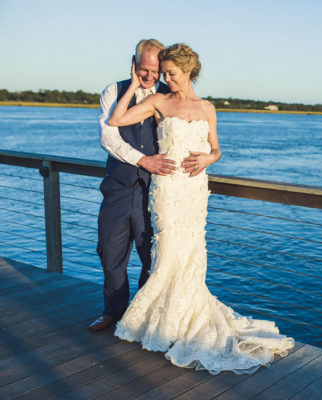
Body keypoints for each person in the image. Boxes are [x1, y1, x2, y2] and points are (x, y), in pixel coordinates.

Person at [108, 43, 294, 374]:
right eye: (163, 73)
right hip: (167, 189)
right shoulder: (158, 101)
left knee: (191, 252)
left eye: (171, 73)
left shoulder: (207, 107)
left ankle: (183, 319)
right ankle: (162, 323)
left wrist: (209, 157)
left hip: (194, 190)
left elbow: (217, 149)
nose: (165, 78)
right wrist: (135, 84)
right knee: (167, 252)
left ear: (190, 71)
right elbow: (117, 119)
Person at [89, 39, 174, 332]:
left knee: (152, 255)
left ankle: (140, 314)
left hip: (153, 192)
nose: (149, 77)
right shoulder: (113, 91)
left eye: (155, 71)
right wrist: (143, 160)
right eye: (144, 69)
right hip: (118, 188)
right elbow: (108, 138)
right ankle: (113, 311)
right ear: (134, 62)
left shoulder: (168, 95)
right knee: (110, 252)